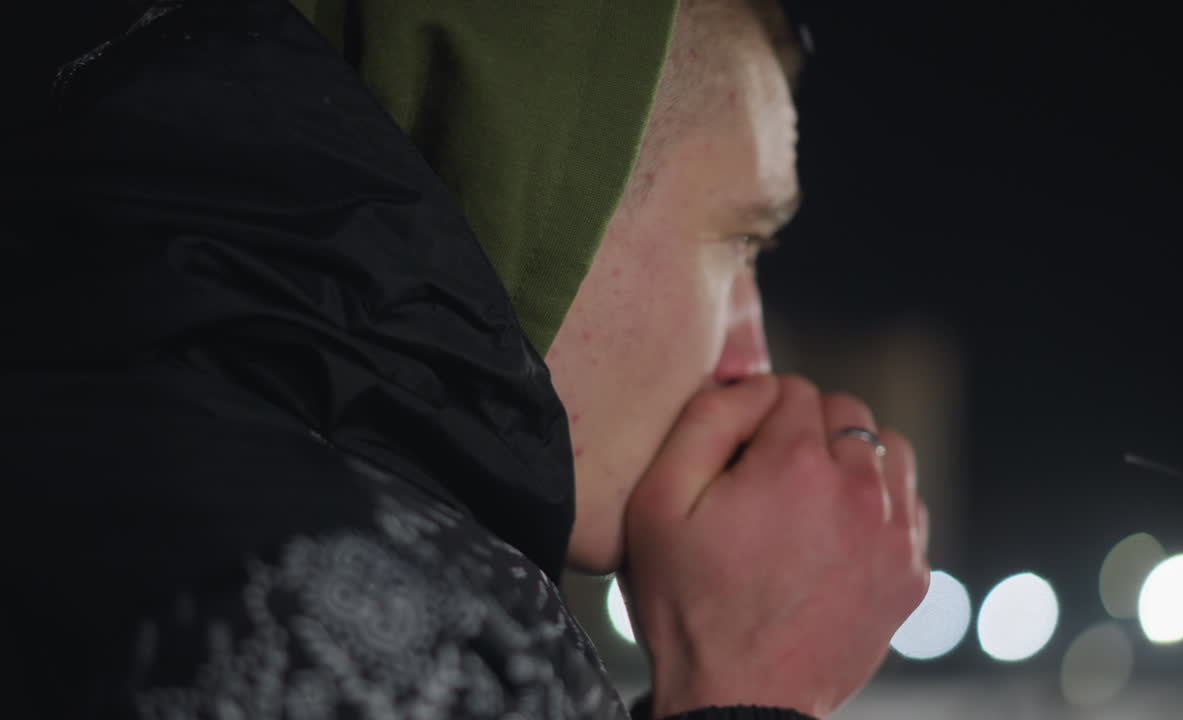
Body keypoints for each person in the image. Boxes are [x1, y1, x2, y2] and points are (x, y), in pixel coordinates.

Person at [2, 0, 930, 718]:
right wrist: (754, 686)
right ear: (546, 190)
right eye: (738, 243)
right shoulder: (351, 604)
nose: (752, 357)